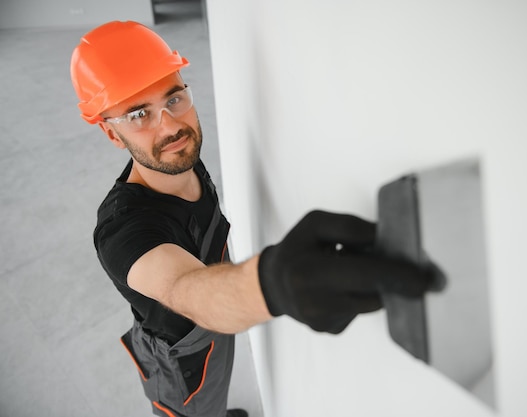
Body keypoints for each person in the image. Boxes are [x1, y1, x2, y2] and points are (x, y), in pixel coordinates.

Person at [70, 21, 439, 417]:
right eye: (139, 114)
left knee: (219, 386)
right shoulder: (122, 229)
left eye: (175, 99)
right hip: (181, 361)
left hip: (214, 329)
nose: (170, 125)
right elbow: (184, 289)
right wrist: (273, 283)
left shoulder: (177, 156)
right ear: (112, 134)